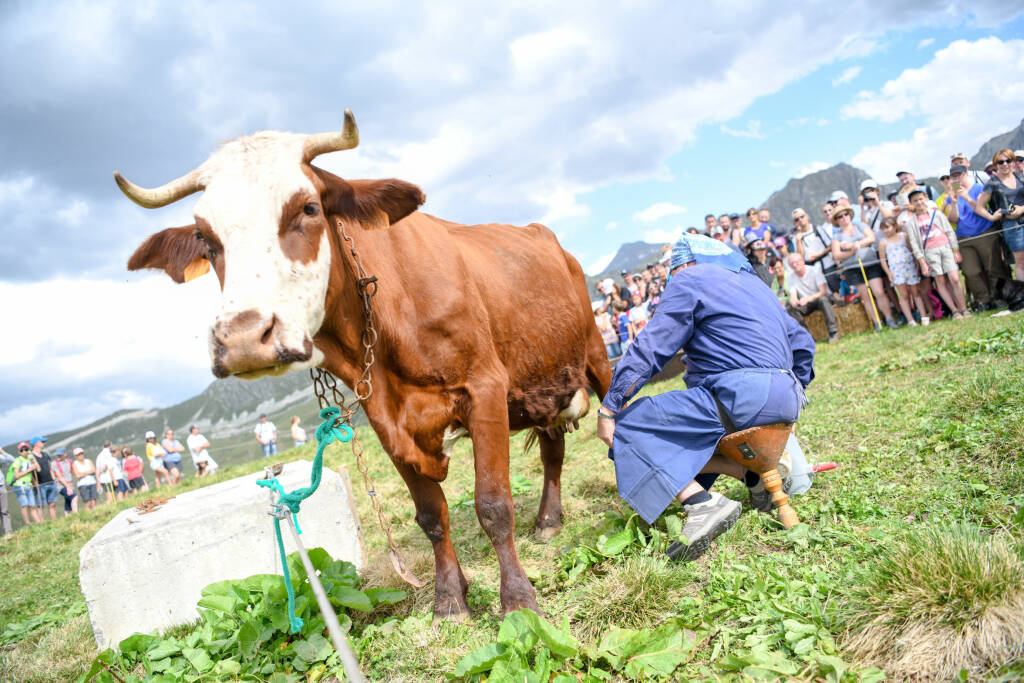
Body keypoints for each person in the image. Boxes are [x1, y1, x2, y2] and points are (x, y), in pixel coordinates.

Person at [596, 234, 814, 562]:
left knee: (627, 427)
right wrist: (795, 395)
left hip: (739, 399)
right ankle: (749, 475)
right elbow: (803, 342)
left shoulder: (690, 279)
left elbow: (652, 346)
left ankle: (701, 504)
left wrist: (610, 406)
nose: (674, 277)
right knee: (694, 419)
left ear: (687, 263)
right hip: (786, 397)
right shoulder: (758, 287)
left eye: (675, 270)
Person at [945, 164, 1004, 310]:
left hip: (985, 232)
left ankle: (999, 297)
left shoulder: (979, 188)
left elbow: (981, 209)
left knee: (993, 267)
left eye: (959, 174)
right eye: (954, 176)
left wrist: (965, 196)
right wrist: (953, 202)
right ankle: (982, 300)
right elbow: (954, 219)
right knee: (970, 272)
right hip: (964, 238)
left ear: (966, 173)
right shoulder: (951, 196)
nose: (957, 178)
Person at [904, 189, 970, 319]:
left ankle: (964, 308)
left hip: (945, 247)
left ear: (926, 198)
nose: (919, 202)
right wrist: (922, 262)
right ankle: (954, 310)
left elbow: (949, 231)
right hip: (929, 251)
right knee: (940, 281)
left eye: (920, 199)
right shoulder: (911, 222)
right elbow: (915, 244)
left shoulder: (936, 214)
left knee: (955, 278)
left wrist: (955, 250)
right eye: (915, 201)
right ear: (911, 203)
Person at [830, 206, 897, 329]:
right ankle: (877, 322)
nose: (844, 218)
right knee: (865, 296)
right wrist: (851, 251)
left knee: (879, 292)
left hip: (870, 263)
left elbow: (871, 238)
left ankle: (889, 318)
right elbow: (836, 254)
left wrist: (855, 245)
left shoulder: (860, 226)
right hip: (852, 268)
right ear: (837, 220)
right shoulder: (837, 237)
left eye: (846, 214)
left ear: (850, 215)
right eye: (840, 216)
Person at [977, 149, 1024, 281]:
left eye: (1008, 160)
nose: (1005, 164)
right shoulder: (992, 183)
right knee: (1021, 262)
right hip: (1012, 226)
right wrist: (991, 217)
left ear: (1013, 162)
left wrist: (1021, 209)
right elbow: (979, 207)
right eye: (1000, 162)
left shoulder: (1021, 176)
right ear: (996, 165)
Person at [877, 216, 927, 326]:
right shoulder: (883, 242)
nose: (885, 231)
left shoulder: (904, 236)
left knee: (915, 292)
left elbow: (911, 251)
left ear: (894, 226)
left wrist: (917, 265)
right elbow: (883, 260)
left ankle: (924, 316)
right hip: (896, 270)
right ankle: (910, 319)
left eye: (887, 227)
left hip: (909, 267)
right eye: (883, 229)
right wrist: (889, 273)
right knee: (903, 294)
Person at [785, 253, 839, 342]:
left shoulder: (814, 270)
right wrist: (794, 301)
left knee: (823, 300)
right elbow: (793, 295)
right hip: (806, 304)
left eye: (796, 262)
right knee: (790, 308)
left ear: (802, 261)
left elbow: (823, 292)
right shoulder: (791, 278)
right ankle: (806, 337)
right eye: (792, 263)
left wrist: (808, 298)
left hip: (818, 299)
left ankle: (833, 331)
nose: (795, 265)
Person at [10, 443, 41, 525]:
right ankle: (28, 523)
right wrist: (29, 470)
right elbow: (17, 475)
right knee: (25, 505)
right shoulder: (18, 460)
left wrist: (33, 460)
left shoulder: (30, 459)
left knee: (32, 505)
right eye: (22, 450)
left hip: (28, 485)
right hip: (20, 485)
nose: (24, 451)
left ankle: (38, 522)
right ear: (19, 452)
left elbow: (38, 469)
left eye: (26, 449)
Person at [30, 436, 59, 521]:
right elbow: (31, 473)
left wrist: (53, 475)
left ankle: (54, 520)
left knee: (52, 503)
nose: (43, 443)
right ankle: (42, 522)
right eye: (42, 442)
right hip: (40, 484)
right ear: (36, 444)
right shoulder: (31, 457)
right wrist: (34, 483)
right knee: (40, 505)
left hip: (50, 481)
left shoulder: (45, 454)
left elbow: (49, 466)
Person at [51, 447, 78, 514]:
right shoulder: (54, 463)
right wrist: (68, 487)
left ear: (65, 454)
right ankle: (76, 514)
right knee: (74, 496)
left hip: (70, 484)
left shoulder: (69, 461)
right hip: (61, 485)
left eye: (60, 454)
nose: (58, 456)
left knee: (68, 502)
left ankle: (67, 516)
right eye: (57, 455)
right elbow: (60, 477)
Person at [0, 445, 14, 534]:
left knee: (4, 511)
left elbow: (11, 460)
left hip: (1, 486)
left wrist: (2, 451)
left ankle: (8, 534)